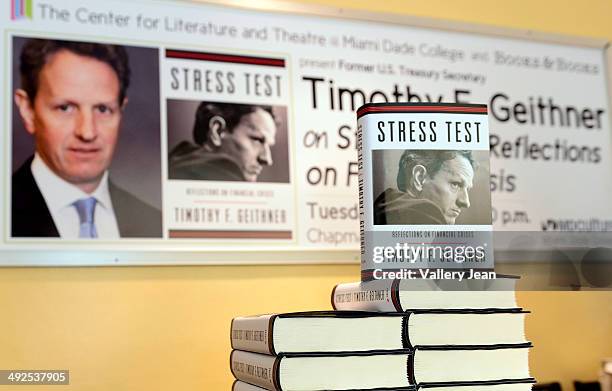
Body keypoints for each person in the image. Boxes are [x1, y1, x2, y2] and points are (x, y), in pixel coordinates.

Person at [12, 38, 162, 238]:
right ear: (27, 110)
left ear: (121, 110)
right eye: (65, 108)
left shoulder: (154, 223)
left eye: (103, 109)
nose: (87, 132)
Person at [168, 102, 276, 182]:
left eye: (268, 146)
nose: (267, 159)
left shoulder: (172, 168)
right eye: (257, 139)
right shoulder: (224, 176)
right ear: (217, 132)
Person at [374, 150, 475, 225]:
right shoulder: (423, 212)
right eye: (455, 184)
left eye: (467, 189)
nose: (466, 202)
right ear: (419, 178)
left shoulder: (384, 207)